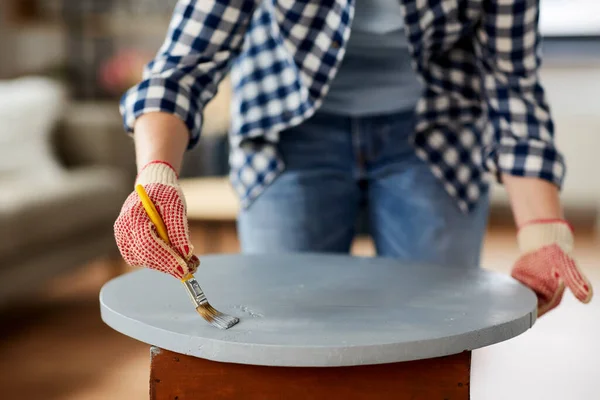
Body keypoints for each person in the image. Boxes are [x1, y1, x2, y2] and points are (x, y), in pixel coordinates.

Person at [114, 0, 592, 317]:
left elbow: (511, 83)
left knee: (436, 325)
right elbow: (185, 64)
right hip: (287, 124)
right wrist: (156, 173)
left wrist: (541, 231)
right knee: (287, 324)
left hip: (435, 127)